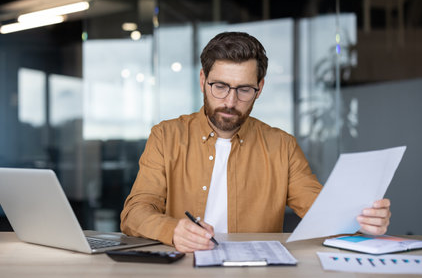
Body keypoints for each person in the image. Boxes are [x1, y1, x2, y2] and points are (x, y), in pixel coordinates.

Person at [120, 32, 391, 253]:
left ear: (260, 88)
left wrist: (363, 221)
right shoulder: (166, 136)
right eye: (220, 86)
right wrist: (173, 231)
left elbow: (322, 211)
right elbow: (134, 213)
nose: (230, 101)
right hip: (184, 268)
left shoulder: (281, 146)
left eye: (244, 90)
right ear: (203, 81)